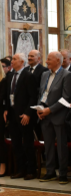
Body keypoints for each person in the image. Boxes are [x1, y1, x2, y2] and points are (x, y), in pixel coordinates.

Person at [37, 51, 71, 184]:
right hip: (44, 115)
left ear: (58, 60)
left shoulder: (67, 75)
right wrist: (39, 108)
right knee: (48, 145)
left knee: (61, 146)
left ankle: (62, 173)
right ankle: (50, 172)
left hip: (58, 116)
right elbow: (42, 93)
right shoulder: (45, 74)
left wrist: (50, 110)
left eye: (49, 59)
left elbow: (66, 98)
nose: (46, 62)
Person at [4, 53, 38, 180]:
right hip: (13, 115)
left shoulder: (28, 76)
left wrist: (28, 113)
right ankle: (20, 169)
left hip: (24, 115)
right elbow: (8, 95)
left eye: (14, 59)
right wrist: (6, 110)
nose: (12, 61)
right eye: (12, 59)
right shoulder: (11, 75)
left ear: (22, 62)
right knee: (16, 143)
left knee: (28, 143)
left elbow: (33, 96)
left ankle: (31, 170)